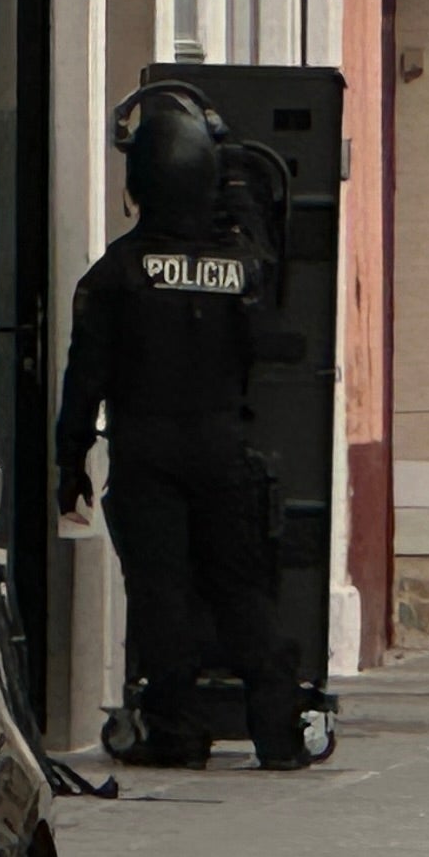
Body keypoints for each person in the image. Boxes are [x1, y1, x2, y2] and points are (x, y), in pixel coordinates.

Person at [55, 83, 306, 769]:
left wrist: (68, 460)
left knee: (161, 593)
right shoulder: (241, 267)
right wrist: (230, 176)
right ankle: (279, 729)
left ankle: (177, 729)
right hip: (223, 445)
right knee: (241, 589)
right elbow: (266, 265)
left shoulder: (115, 275)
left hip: (146, 450)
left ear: (138, 182)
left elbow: (86, 379)